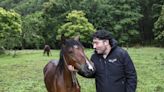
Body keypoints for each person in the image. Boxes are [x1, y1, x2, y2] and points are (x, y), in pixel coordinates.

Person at [68, 29, 137, 92]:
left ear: (106, 42)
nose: (94, 46)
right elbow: (91, 73)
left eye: (96, 43)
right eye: (93, 43)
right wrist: (77, 70)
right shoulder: (95, 57)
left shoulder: (121, 54)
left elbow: (131, 76)